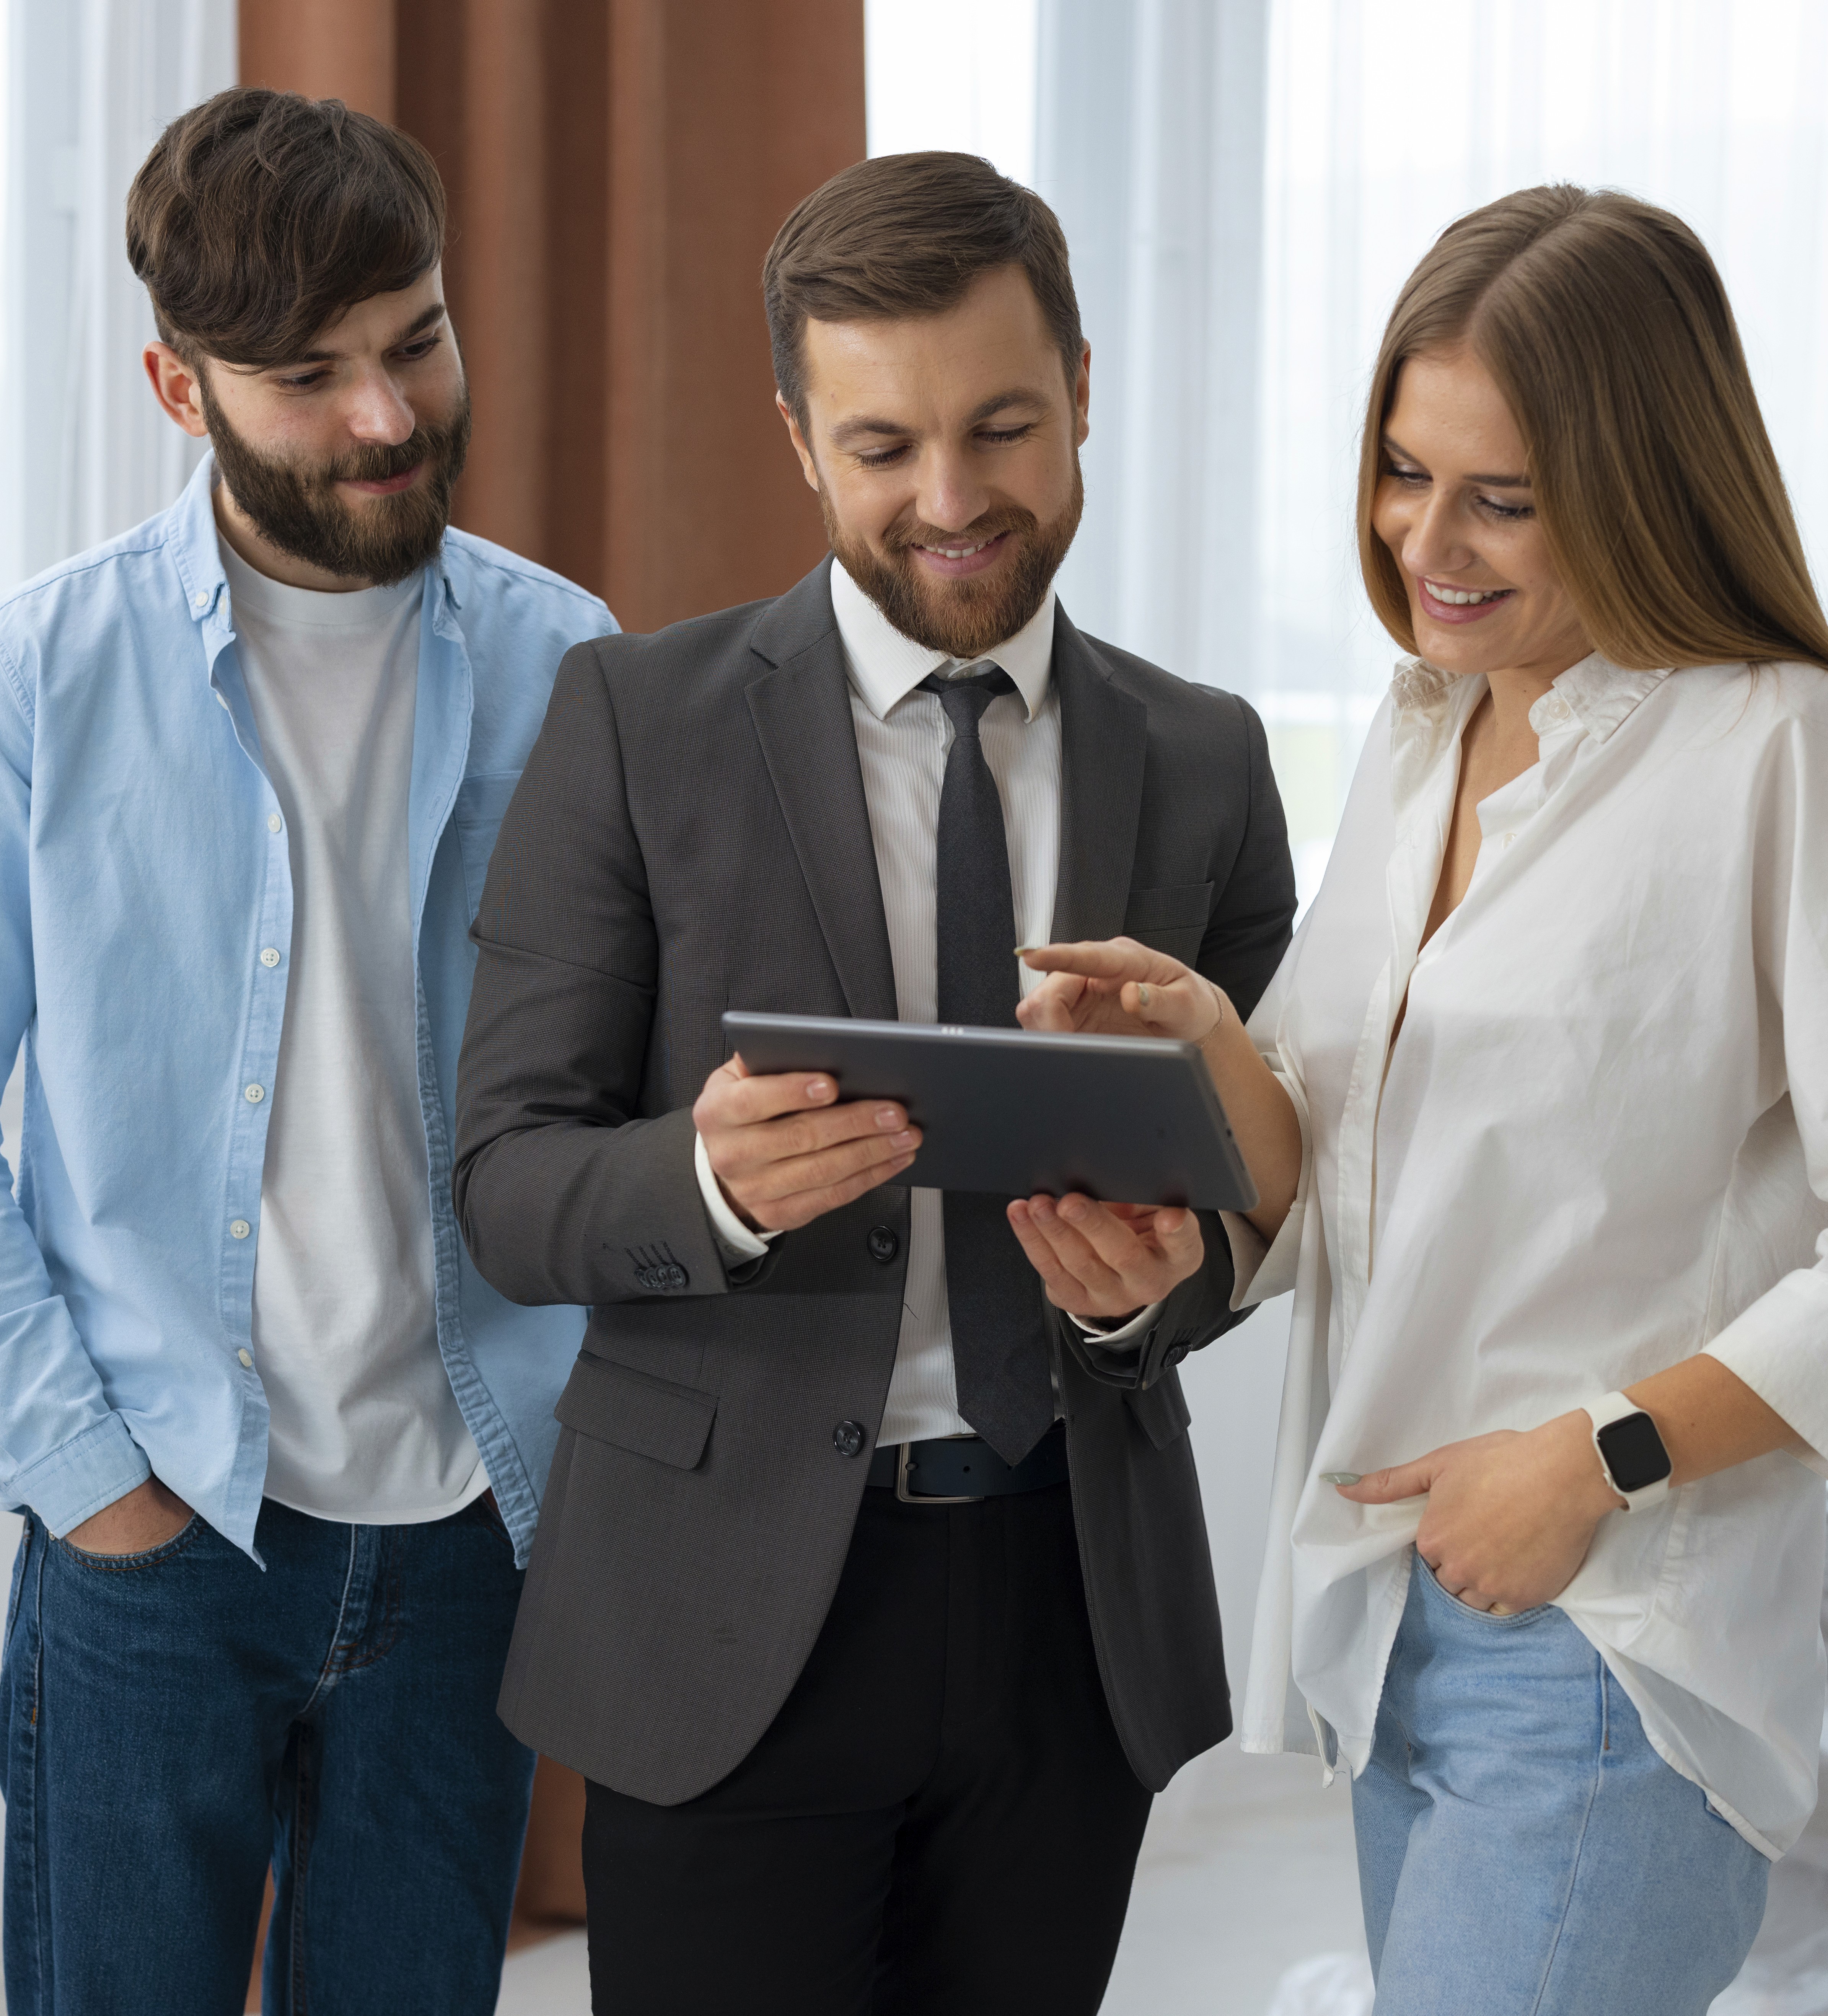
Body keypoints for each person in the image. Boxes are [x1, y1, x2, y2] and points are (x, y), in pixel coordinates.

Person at [1019, 185, 1828, 2014]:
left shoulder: (1783, 749)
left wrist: (1596, 1458)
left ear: (1644, 483)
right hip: (1399, 1603)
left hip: (1605, 1645)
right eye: (1405, 473)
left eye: (1503, 498)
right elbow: (1335, 1156)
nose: (1428, 541)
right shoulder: (1427, 728)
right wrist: (1201, 1051)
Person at [447, 152, 1296, 2014]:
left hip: (1069, 1611)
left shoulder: (1209, 760)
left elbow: (1267, 1181)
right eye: (883, 445)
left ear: (1083, 387)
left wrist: (1187, 1277)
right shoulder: (631, 724)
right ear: (795, 438)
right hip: (724, 1610)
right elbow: (505, 1187)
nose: (951, 500)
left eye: (1002, 426)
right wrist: (710, 1183)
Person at [0, 90, 614, 2015]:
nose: (384, 416)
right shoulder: (38, 674)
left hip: (469, 1534)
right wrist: (85, 1470)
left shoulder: (572, 661)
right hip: (161, 1533)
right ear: (182, 392)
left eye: (414, 340)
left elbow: (626, 1088)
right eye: (307, 375)